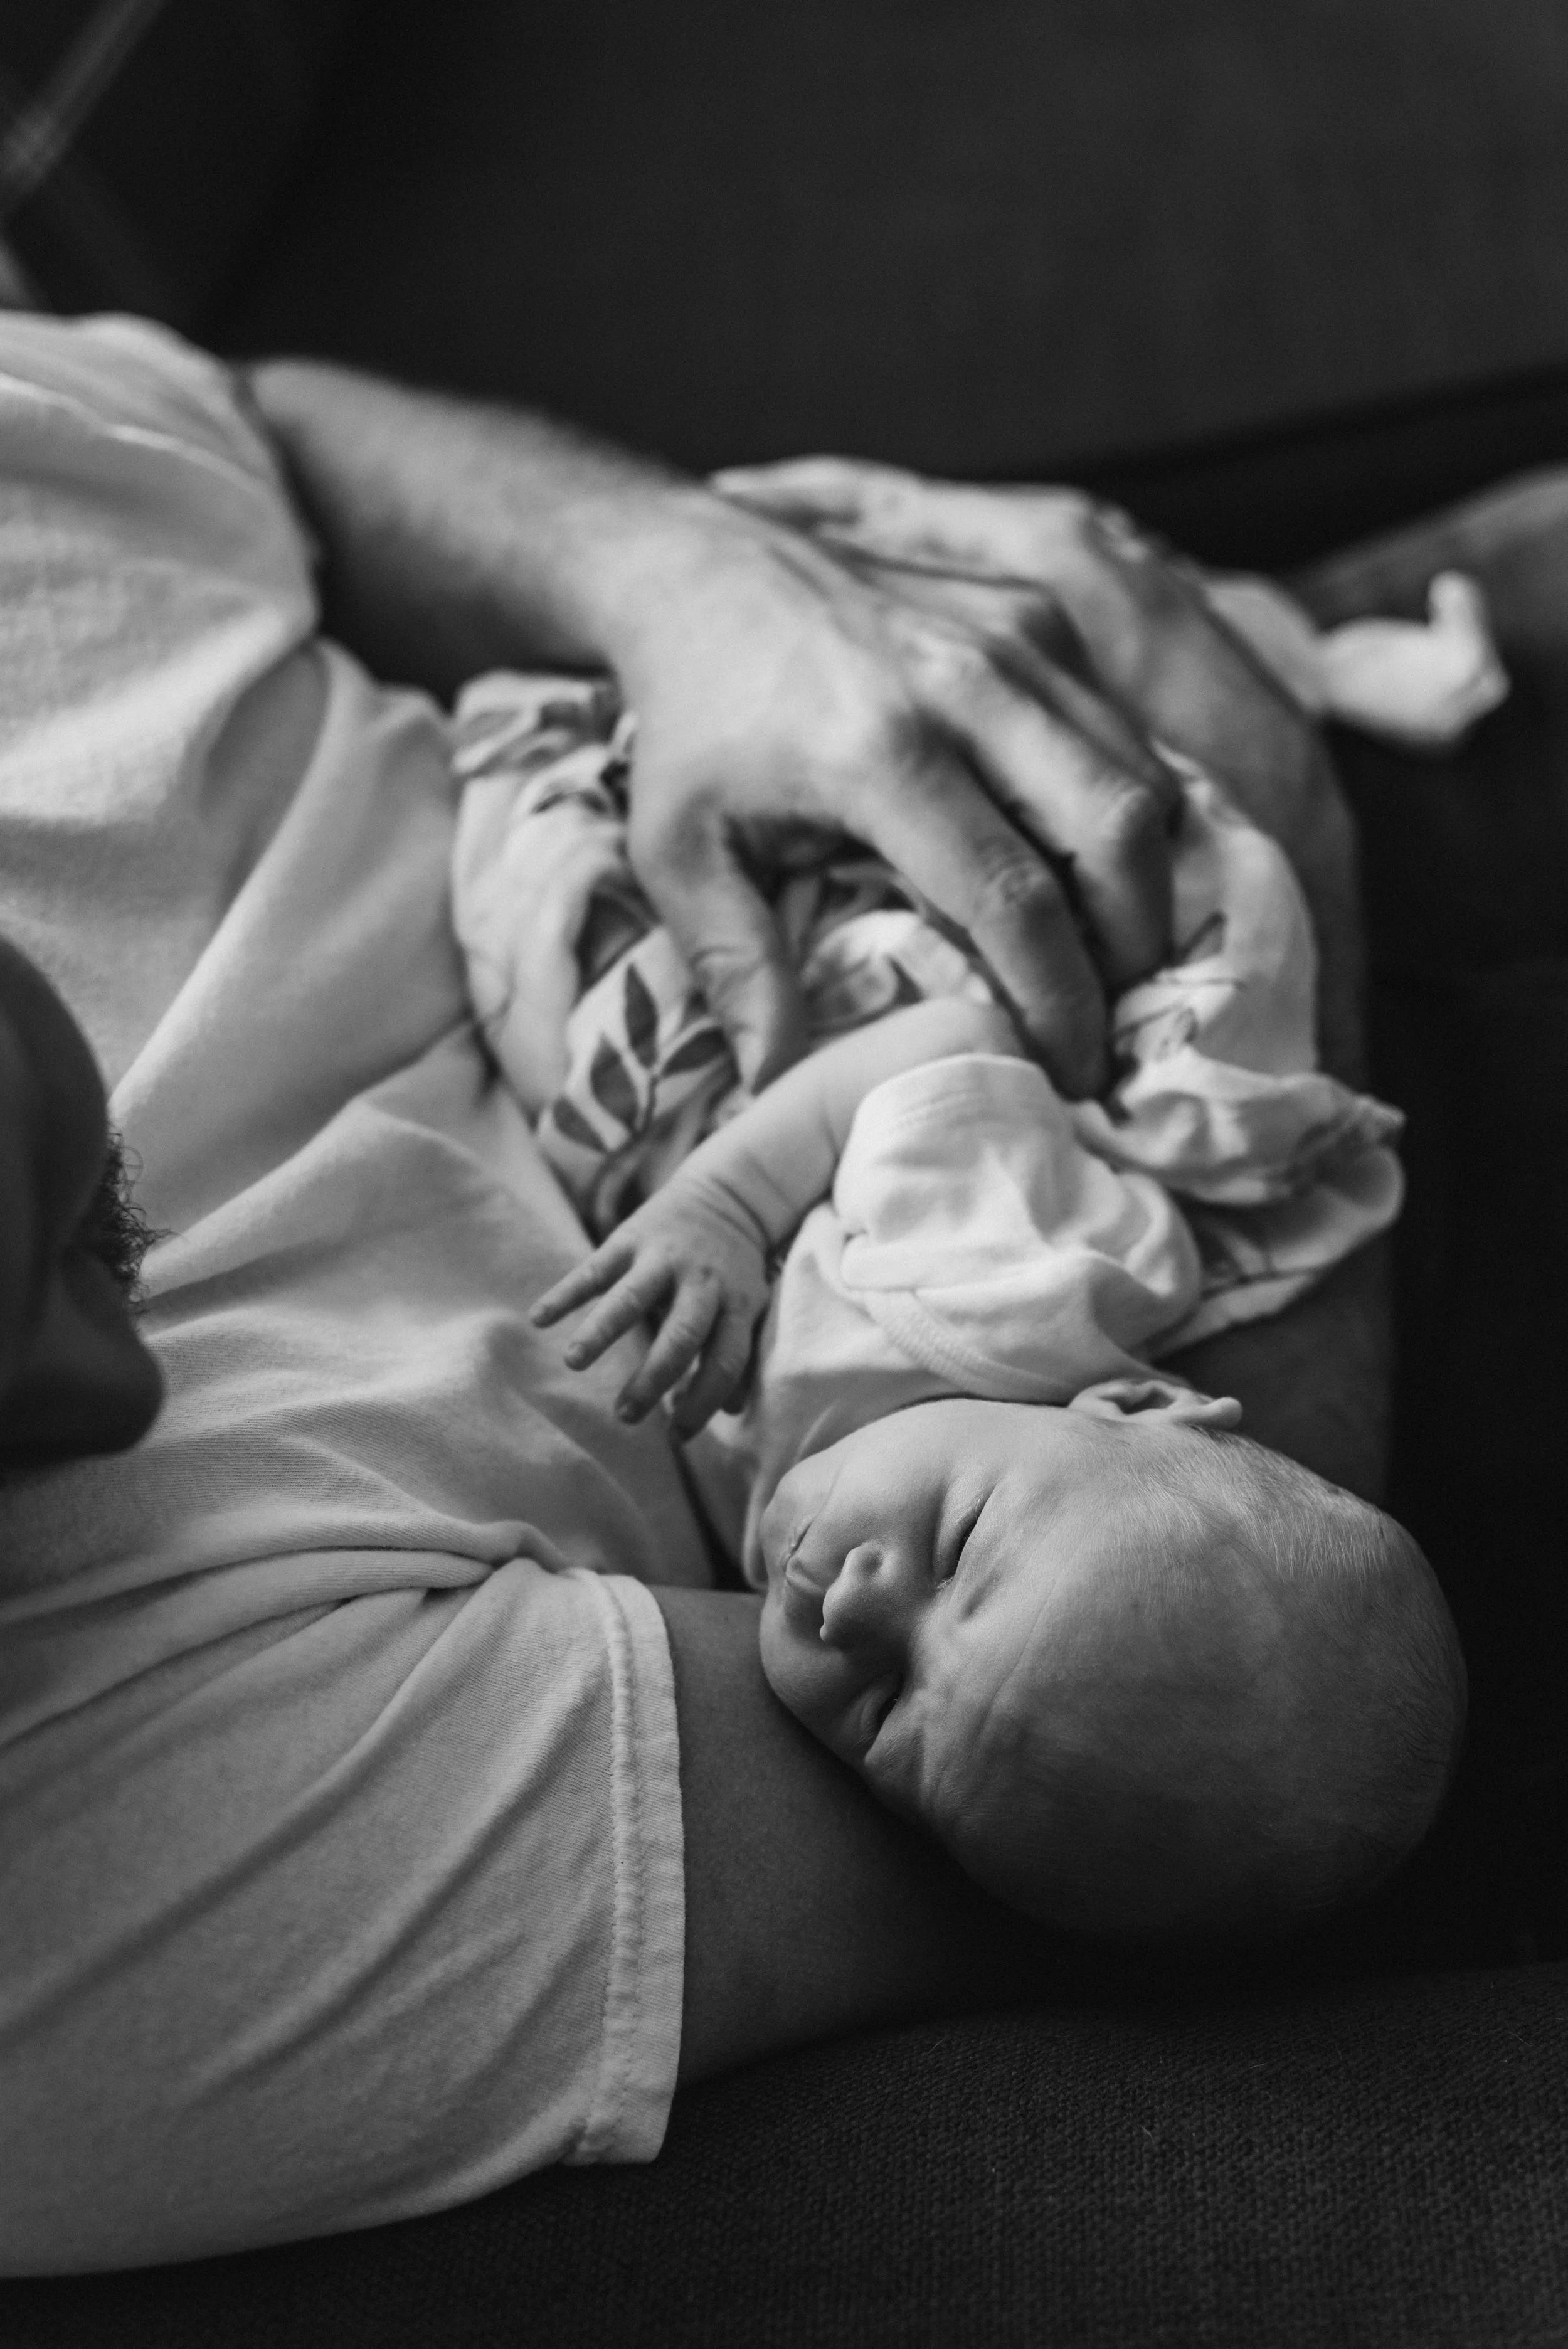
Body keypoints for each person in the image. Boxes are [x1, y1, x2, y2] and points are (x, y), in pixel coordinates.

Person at [0, 308, 1405, 2272]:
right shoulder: (77, 1911)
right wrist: (1284, 839)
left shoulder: (966, 1339)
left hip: (723, 822)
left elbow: (255, 429)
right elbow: (1145, 1818)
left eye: (65, 1216)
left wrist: (680, 582)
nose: (118, 1392)